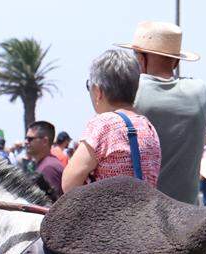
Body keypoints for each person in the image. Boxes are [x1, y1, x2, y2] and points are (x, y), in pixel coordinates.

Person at [124, 21, 206, 206]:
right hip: (191, 211)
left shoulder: (133, 90)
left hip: (145, 211)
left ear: (141, 58)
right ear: (177, 60)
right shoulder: (200, 91)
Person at [62, 48, 162, 192]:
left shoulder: (103, 125)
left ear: (98, 91)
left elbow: (68, 184)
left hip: (108, 206)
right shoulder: (148, 127)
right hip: (145, 206)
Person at [22, 121, 63, 199]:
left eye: (30, 139)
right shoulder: (46, 164)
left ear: (45, 141)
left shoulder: (49, 168)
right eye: (26, 138)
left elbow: (52, 202)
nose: (26, 142)